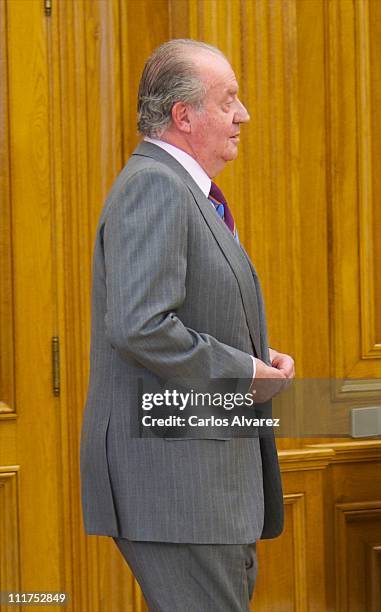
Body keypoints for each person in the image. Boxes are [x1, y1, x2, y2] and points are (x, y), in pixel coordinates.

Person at [80, 39, 295, 611]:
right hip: (181, 489)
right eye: (229, 100)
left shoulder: (183, 192)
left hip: (204, 488)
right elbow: (141, 326)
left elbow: (183, 315)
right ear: (184, 116)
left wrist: (259, 357)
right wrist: (241, 372)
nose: (242, 114)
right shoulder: (156, 187)